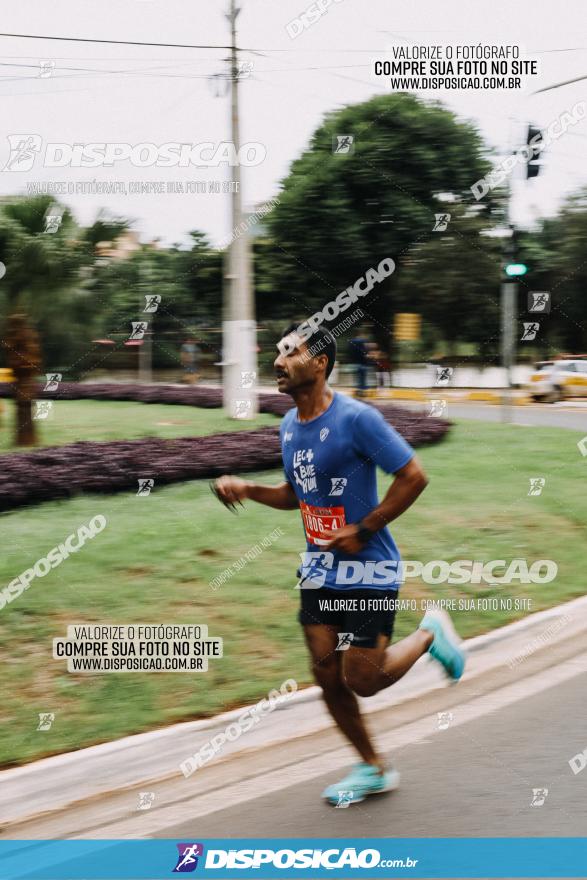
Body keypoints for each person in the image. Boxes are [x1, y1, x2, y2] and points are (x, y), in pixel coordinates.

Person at [213, 323, 465, 806]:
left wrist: (363, 528)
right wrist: (248, 488)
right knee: (327, 675)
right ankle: (373, 767)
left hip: (370, 567)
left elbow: (414, 476)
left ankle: (431, 633)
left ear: (321, 362)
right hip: (318, 570)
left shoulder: (357, 419)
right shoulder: (288, 427)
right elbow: (295, 495)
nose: (277, 363)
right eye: (278, 353)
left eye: (291, 353)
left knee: (362, 680)